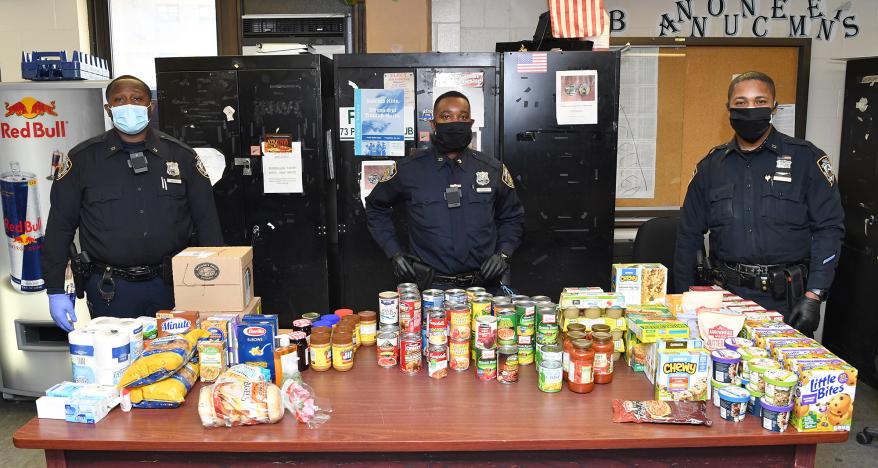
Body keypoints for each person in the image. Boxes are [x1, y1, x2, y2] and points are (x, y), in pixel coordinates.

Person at [42, 75, 223, 330]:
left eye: (137, 99)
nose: (129, 105)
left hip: (174, 287)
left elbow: (207, 223)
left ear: (151, 106)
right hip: (110, 290)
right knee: (116, 365)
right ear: (109, 109)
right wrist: (55, 289)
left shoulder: (181, 157)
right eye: (120, 100)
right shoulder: (83, 161)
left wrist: (215, 281)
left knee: (178, 360)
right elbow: (60, 227)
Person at [674, 71, 844, 336]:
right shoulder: (711, 167)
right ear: (728, 108)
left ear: (774, 107)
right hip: (724, 301)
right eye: (741, 103)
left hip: (786, 302)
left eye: (759, 101)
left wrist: (814, 295)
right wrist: (684, 300)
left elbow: (829, 229)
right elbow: (688, 236)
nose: (750, 109)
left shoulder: (806, 160)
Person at [365, 91, 525, 292]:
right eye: (446, 117)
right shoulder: (408, 170)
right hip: (430, 289)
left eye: (463, 117)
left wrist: (503, 253)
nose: (455, 122)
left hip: (484, 288)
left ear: (471, 122)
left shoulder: (492, 169)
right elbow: (375, 207)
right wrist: (394, 252)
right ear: (433, 124)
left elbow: (513, 216)